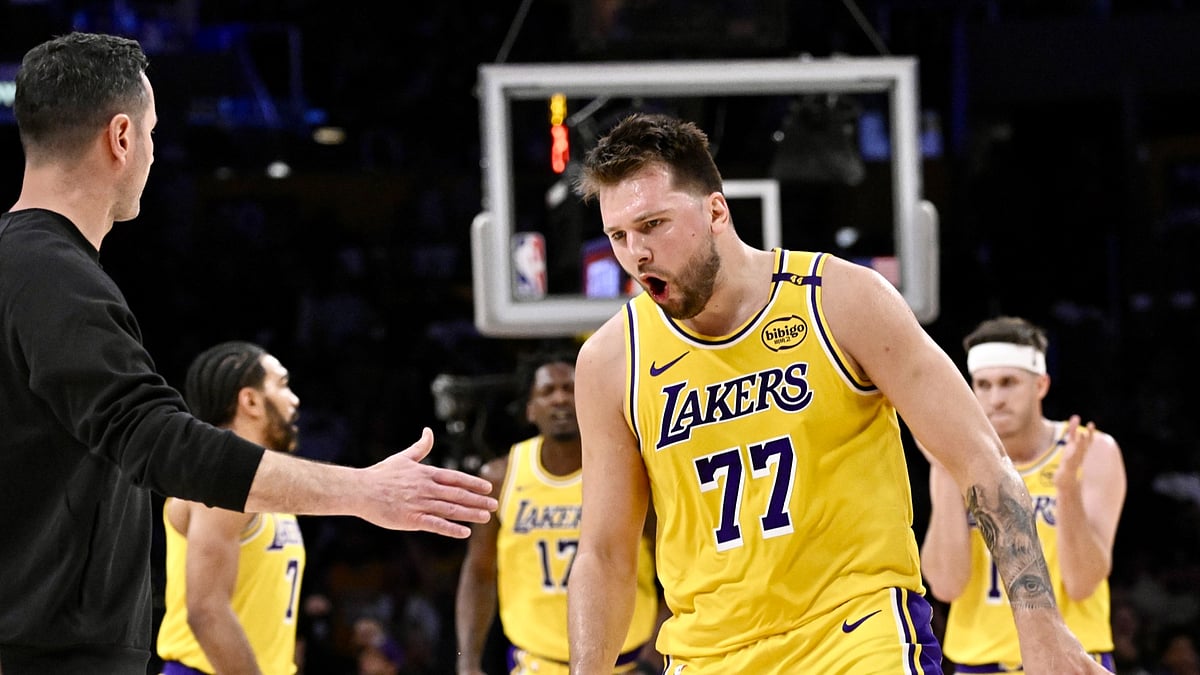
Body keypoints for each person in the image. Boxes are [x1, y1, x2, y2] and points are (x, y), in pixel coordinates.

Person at [0, 32, 496, 675]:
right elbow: (159, 440)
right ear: (121, 137)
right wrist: (364, 491)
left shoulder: (26, 269)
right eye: (152, 132)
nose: (154, 152)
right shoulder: (52, 276)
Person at [563, 112, 1110, 674]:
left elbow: (980, 458)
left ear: (716, 211)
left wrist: (1041, 627)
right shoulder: (611, 361)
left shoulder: (839, 299)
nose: (636, 254)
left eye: (653, 224)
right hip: (709, 654)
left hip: (859, 638)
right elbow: (605, 552)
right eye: (619, 236)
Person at [920, 316, 1128, 673]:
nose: (995, 398)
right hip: (978, 662)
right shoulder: (956, 460)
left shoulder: (1091, 451)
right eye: (983, 385)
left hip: (1069, 659)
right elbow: (945, 585)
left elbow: (1082, 583)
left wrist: (1066, 489)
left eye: (1008, 383)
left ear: (1041, 384)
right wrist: (942, 468)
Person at [454, 350, 662, 675]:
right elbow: (479, 572)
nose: (561, 399)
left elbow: (673, 565)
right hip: (535, 664)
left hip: (627, 664)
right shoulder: (500, 477)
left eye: (570, 389)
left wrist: (652, 659)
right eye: (548, 391)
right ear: (530, 409)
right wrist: (466, 660)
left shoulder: (626, 472)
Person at [155, 341, 309, 674]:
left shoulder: (265, 485)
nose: (294, 400)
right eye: (282, 385)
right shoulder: (219, 483)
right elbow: (207, 612)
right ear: (250, 400)